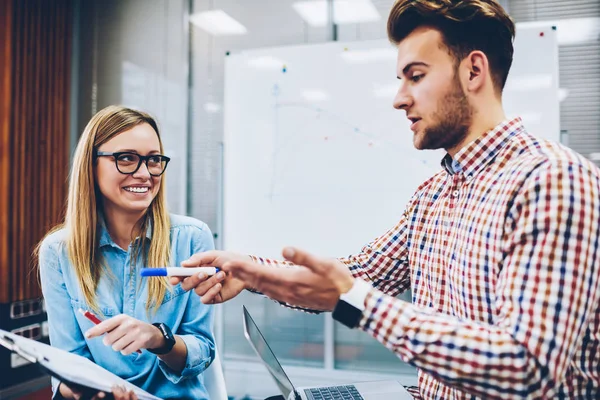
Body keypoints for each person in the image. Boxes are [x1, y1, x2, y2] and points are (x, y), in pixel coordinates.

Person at [173, 0, 600, 399]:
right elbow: (359, 275)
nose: (399, 98)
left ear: (473, 72)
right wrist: (253, 273)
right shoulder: (434, 196)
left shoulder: (552, 180)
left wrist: (358, 301)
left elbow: (526, 364)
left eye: (415, 76)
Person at [38, 105, 216, 400]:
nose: (145, 174)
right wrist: (87, 391)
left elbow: (202, 350)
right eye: (127, 159)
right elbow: (68, 364)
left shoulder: (192, 238)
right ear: (91, 166)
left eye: (153, 160)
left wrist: (159, 339)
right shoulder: (58, 252)